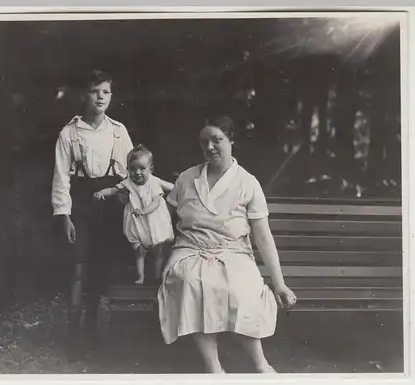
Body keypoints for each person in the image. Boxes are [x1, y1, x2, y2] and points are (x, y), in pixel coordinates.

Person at [157, 115, 297, 373]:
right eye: (204, 142)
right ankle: (215, 369)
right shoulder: (188, 178)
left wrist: (279, 283)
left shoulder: (247, 182)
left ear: (231, 141)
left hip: (233, 251)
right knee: (191, 283)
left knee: (240, 286)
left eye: (217, 140)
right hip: (190, 250)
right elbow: (163, 216)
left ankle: (260, 365)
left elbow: (263, 235)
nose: (209, 147)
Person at [51, 69, 133, 354]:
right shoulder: (69, 132)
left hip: (109, 204)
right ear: (84, 95)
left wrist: (129, 205)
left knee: (99, 267)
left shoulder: (118, 131)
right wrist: (65, 216)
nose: (100, 96)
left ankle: (92, 330)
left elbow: (131, 174)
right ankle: (74, 336)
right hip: (80, 204)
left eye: (106, 92)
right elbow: (61, 178)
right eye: (95, 90)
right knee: (77, 266)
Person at [94, 145, 175, 284]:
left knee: (158, 250)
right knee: (138, 250)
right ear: (128, 169)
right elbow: (114, 189)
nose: (137, 173)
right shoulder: (128, 182)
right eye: (132, 169)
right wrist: (102, 193)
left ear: (150, 169)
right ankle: (140, 276)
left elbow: (156, 202)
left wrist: (143, 211)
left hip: (154, 220)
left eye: (142, 169)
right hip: (137, 222)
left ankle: (157, 275)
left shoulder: (153, 182)